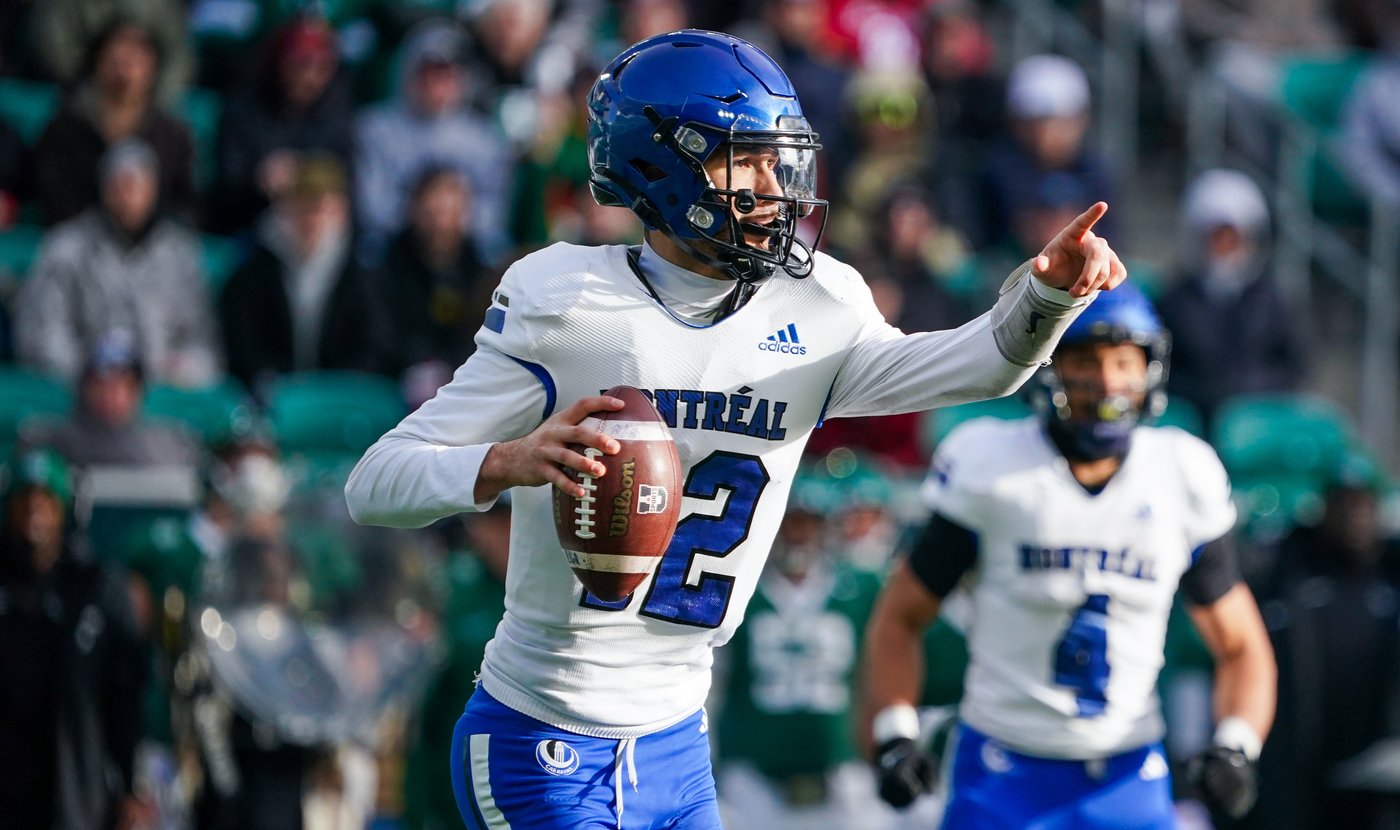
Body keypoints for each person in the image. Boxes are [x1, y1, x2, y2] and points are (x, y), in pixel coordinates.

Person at [345, 29, 1126, 830]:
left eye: (780, 158)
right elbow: (375, 483)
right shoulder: (567, 302)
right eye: (745, 158)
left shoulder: (819, 305)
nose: (775, 184)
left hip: (680, 743)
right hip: (545, 734)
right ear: (666, 163)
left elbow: (981, 364)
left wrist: (1046, 297)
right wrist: (507, 459)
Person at [860, 284, 1278, 829]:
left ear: (1150, 368)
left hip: (1129, 770)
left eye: (1124, 361)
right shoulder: (993, 467)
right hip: (1002, 770)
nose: (1108, 382)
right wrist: (895, 732)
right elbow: (899, 617)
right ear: (1051, 367)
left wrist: (1236, 745)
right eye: (1086, 360)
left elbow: (1241, 642)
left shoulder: (1181, 475)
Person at [0, 448, 147, 830]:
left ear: (67, 509)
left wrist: (130, 783)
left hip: (75, 788)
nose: (35, 512)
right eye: (24, 499)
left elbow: (125, 694)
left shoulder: (98, 587)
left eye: (46, 499)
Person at [17, 138, 222, 387]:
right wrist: (94, 379)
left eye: (136, 184)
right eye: (118, 184)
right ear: (102, 188)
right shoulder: (66, 247)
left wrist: (172, 372)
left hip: (161, 400)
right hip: (80, 396)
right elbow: (41, 333)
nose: (127, 195)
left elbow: (203, 344)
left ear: (154, 189)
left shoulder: (182, 254)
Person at [1157, 169, 1304, 428]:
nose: (1226, 247)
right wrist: (1210, 394)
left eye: (1234, 238)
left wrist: (1249, 392)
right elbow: (1163, 367)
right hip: (1194, 424)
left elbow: (1294, 365)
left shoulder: (1272, 300)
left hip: (1259, 428)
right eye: (1217, 237)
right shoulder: (1174, 300)